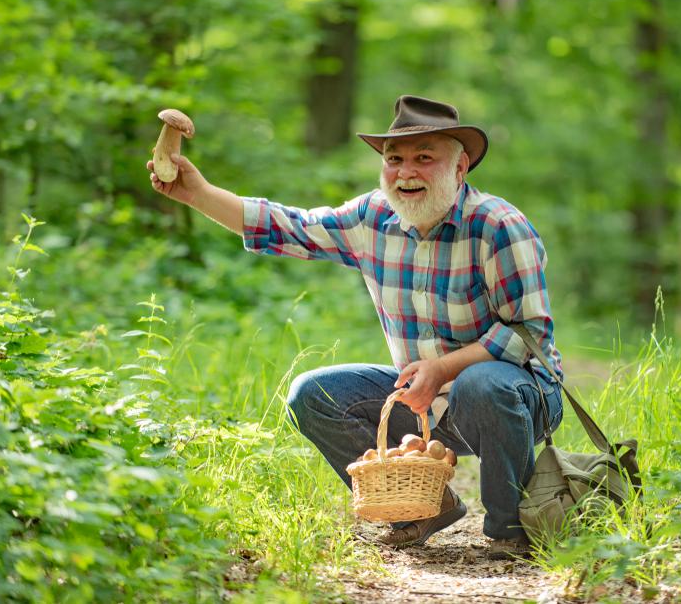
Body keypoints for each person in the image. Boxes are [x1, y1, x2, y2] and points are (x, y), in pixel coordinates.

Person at [147, 95, 563, 559]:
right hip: (426, 403)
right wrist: (198, 194)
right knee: (312, 393)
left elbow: (529, 336)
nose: (406, 172)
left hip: (515, 398)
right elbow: (290, 227)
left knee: (482, 383)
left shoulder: (498, 226)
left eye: (425, 157)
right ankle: (418, 510)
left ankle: (511, 528)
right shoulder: (372, 218)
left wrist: (442, 369)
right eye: (394, 159)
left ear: (460, 167)